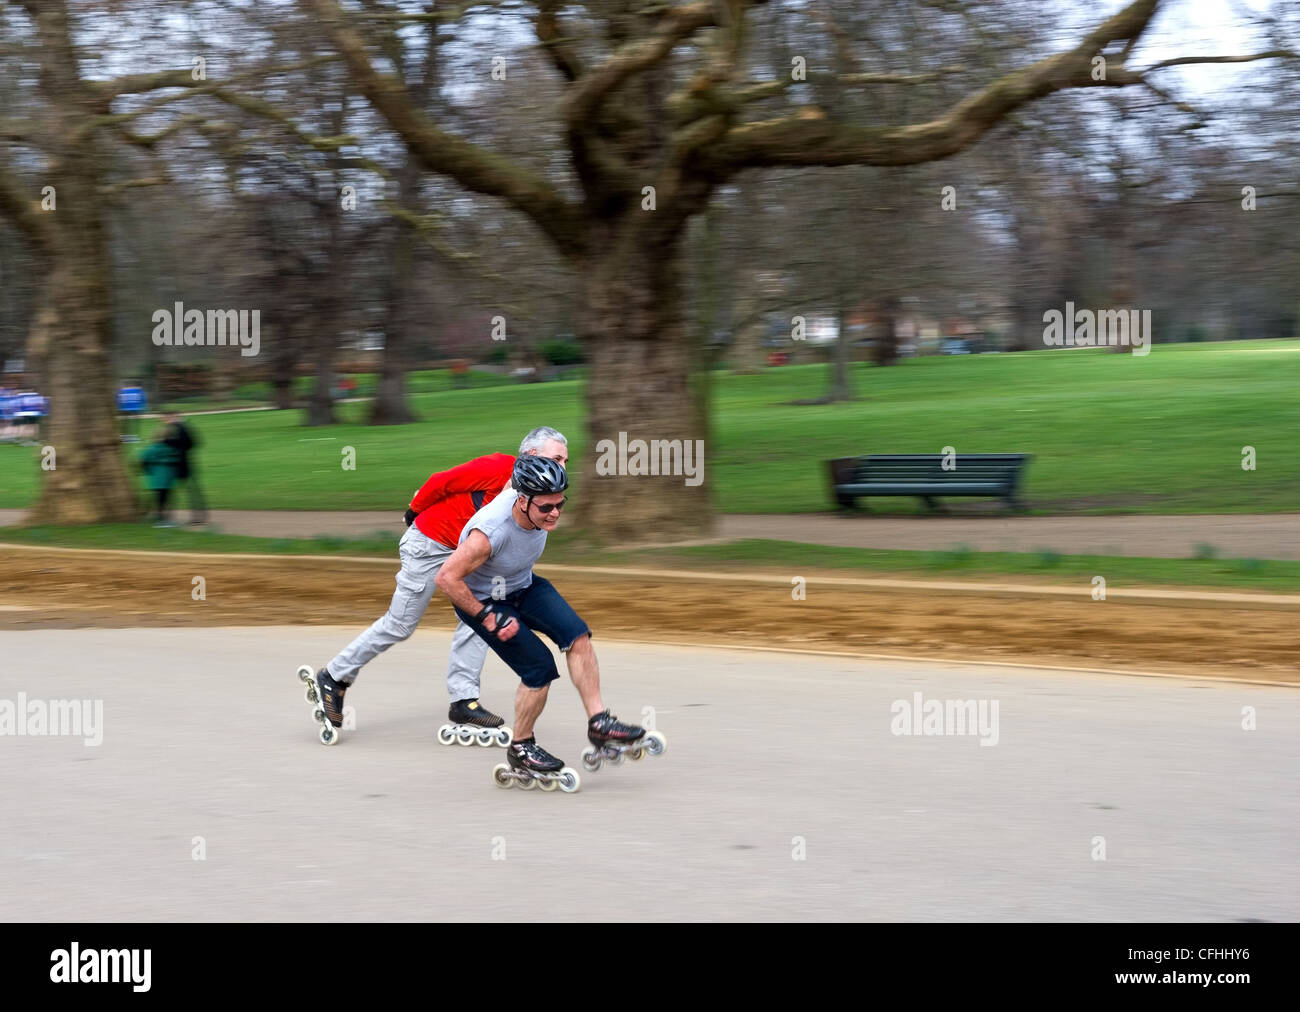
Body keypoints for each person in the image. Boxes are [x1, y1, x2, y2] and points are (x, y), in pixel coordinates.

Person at [307, 427, 569, 743]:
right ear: (530, 455)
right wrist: (414, 511)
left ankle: (463, 700)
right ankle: (334, 676)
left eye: (565, 460)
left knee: (481, 614)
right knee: (400, 624)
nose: (562, 466)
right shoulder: (500, 467)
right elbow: (442, 481)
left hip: (468, 554)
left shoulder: (537, 499)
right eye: (556, 458)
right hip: (430, 543)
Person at [433, 456, 649, 789]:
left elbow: (530, 462)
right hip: (487, 602)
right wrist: (484, 615)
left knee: (577, 636)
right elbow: (446, 578)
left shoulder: (528, 497)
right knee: (539, 668)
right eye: (546, 508)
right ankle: (521, 747)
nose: (555, 513)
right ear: (522, 501)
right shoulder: (489, 532)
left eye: (560, 504)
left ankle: (599, 723)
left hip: (523, 585)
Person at [163, 413, 207, 525]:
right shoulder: (184, 427)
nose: (164, 421)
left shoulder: (179, 429)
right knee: (192, 490)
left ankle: (195, 518)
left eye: (165, 419)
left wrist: (167, 442)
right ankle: (199, 517)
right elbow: (193, 443)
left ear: (172, 418)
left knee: (179, 490)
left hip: (180, 464)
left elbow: (181, 444)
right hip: (185, 462)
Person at [139, 426, 180, 527]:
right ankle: (163, 519)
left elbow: (143, 459)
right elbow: (177, 461)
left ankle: (160, 518)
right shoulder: (172, 449)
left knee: (159, 499)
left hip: (155, 479)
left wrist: (148, 470)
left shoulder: (152, 449)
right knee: (165, 499)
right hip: (168, 479)